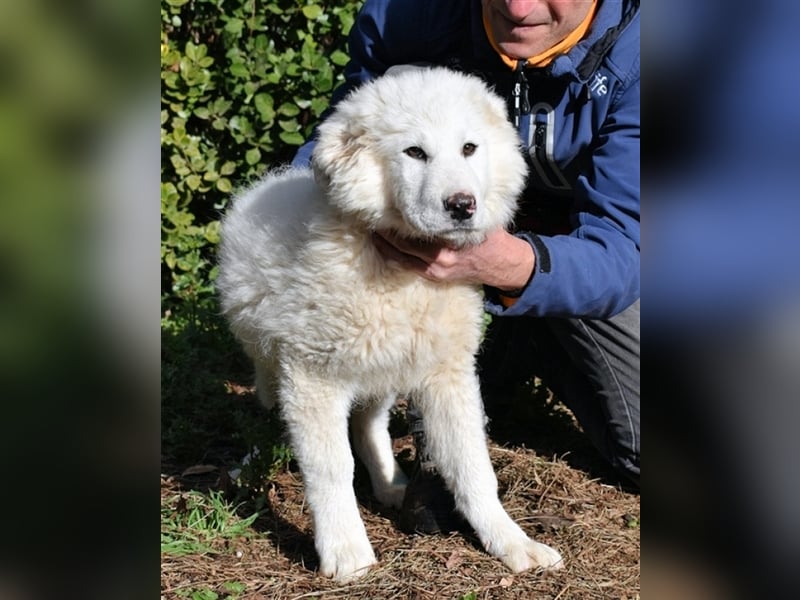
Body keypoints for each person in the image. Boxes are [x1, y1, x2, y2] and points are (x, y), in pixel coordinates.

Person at [292, 0, 640, 532]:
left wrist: (505, 265)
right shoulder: (404, 17)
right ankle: (455, 412)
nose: (519, 8)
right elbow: (345, 134)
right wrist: (293, 236)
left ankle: (525, 339)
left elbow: (627, 249)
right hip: (429, 239)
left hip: (591, 252)